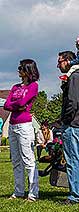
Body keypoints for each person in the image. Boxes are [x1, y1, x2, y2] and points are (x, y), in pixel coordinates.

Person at [57, 50, 79, 204]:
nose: (58, 65)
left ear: (68, 60)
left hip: (73, 123)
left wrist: (65, 119)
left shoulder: (75, 77)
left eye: (60, 61)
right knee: (75, 158)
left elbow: (73, 101)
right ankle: (77, 190)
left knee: (72, 160)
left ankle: (75, 195)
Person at [3, 59, 40, 201]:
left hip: (24, 125)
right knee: (16, 161)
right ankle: (18, 191)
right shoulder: (15, 87)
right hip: (13, 125)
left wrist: (18, 105)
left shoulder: (33, 86)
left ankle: (33, 193)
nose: (18, 70)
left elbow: (22, 102)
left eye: (21, 68)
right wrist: (17, 106)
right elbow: (7, 105)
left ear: (28, 70)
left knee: (28, 160)